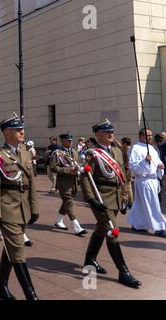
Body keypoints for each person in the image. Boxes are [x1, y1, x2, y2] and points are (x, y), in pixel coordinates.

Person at [81, 119, 141, 289]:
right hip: (101, 198)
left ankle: (90, 260)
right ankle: (124, 272)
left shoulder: (117, 151)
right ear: (98, 134)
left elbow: (123, 176)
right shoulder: (92, 154)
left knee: (101, 230)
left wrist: (126, 198)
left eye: (112, 132)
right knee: (112, 232)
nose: (111, 135)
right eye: (107, 132)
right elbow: (86, 177)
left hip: (115, 198)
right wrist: (91, 199)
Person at [0, 113, 39, 300]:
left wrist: (34, 208)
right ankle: (31, 295)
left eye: (21, 129)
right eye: (17, 129)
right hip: (7, 209)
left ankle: (1, 286)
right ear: (7, 133)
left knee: (10, 248)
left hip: (23, 207)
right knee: (17, 251)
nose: (22, 132)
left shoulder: (25, 152)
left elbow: (30, 183)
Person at [128, 129, 166, 237]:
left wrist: (160, 166)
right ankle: (159, 227)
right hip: (144, 180)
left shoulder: (152, 149)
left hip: (153, 180)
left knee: (141, 204)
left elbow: (158, 162)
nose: (150, 137)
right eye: (147, 135)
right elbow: (133, 166)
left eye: (151, 135)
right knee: (153, 204)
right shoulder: (136, 148)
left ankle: (137, 224)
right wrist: (144, 161)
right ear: (140, 136)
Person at [50, 133, 87, 236]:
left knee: (67, 202)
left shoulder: (74, 151)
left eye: (71, 140)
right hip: (63, 182)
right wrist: (68, 170)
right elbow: (53, 167)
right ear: (62, 141)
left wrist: (81, 168)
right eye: (68, 140)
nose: (70, 142)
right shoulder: (57, 153)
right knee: (69, 202)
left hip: (74, 181)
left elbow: (78, 163)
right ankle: (76, 226)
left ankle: (59, 221)